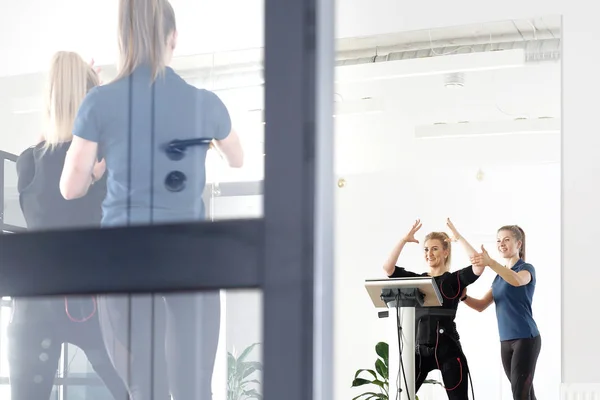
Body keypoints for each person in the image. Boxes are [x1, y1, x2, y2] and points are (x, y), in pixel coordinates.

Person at [59, 0, 244, 399]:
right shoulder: (204, 102)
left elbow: (69, 189)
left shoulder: (99, 103)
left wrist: (100, 165)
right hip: (190, 255)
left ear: (122, 39)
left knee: (145, 388)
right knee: (193, 388)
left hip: (125, 256)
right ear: (173, 37)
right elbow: (238, 158)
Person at [9, 51, 131, 400]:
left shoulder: (29, 163)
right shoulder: (104, 158)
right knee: (133, 392)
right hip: (90, 304)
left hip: (34, 306)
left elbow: (50, 159)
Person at [383, 218, 483, 400]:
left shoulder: (453, 280)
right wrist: (404, 240)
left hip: (448, 351)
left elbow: (478, 265)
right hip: (418, 351)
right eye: (426, 249)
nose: (429, 253)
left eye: (435, 248)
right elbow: (388, 268)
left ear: (446, 252)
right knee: (399, 396)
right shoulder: (417, 281)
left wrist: (459, 237)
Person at [460, 225, 541, 400]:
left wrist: (491, 263)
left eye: (506, 240)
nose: (501, 244)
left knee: (519, 394)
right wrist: (464, 297)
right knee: (525, 394)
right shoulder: (498, 278)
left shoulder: (526, 269)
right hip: (505, 341)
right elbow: (481, 305)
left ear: (518, 243)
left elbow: (517, 281)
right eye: (498, 240)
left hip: (526, 339)